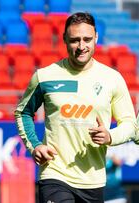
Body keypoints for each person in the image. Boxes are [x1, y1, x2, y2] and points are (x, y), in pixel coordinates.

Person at [14, 12, 138, 203]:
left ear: (96, 37)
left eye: (87, 39)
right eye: (75, 40)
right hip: (55, 174)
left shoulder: (112, 78)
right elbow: (23, 112)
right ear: (64, 39)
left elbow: (130, 125)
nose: (81, 46)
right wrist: (35, 145)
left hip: (93, 180)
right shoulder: (45, 76)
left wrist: (110, 136)